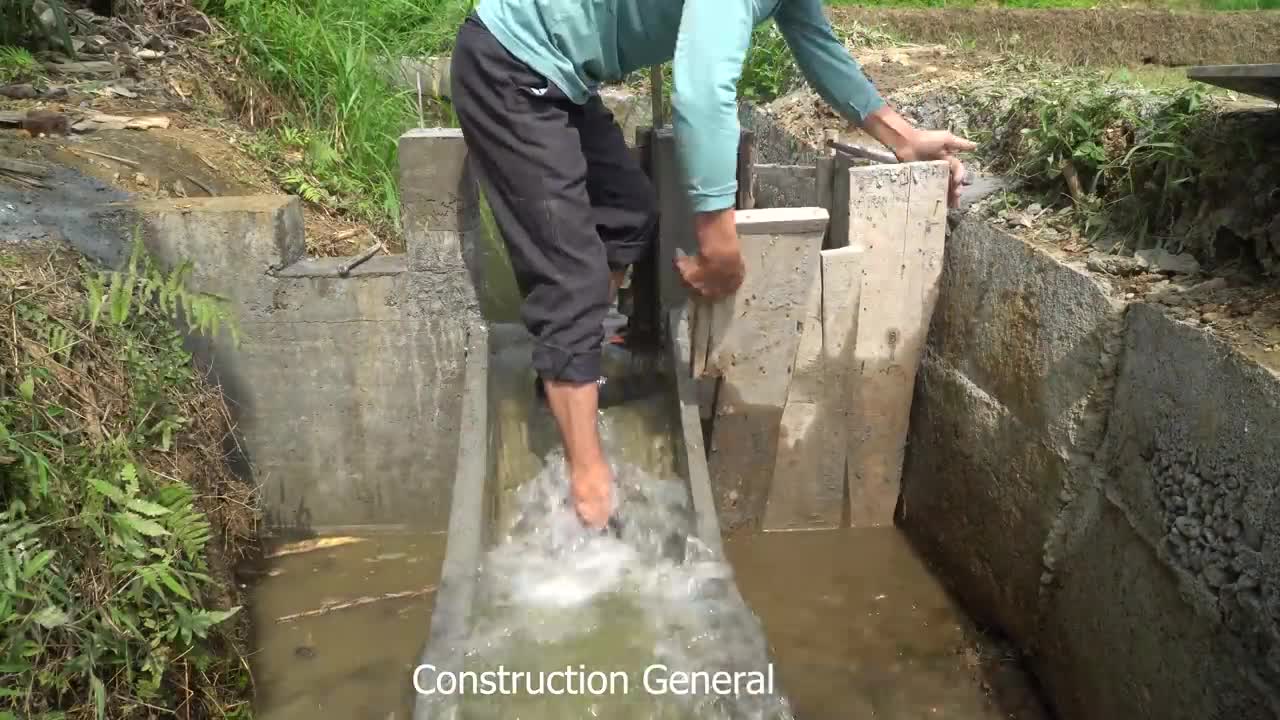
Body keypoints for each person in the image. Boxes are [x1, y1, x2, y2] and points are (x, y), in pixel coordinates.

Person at [449, 0, 976, 531]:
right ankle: (589, 491)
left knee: (626, 212)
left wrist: (903, 137)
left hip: (558, 77)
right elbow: (701, 92)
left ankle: (571, 357)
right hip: (512, 65)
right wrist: (717, 238)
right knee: (571, 278)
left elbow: (817, 45)